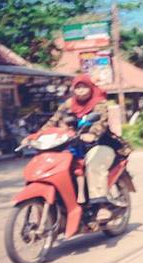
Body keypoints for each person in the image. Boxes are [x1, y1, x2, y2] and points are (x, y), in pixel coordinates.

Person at [39, 75, 126, 208]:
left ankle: (100, 206)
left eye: (84, 87)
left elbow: (101, 122)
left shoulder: (99, 103)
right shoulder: (68, 104)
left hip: (99, 143)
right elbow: (53, 121)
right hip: (72, 143)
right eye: (77, 87)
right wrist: (37, 135)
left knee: (93, 164)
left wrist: (92, 133)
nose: (80, 90)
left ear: (90, 87)